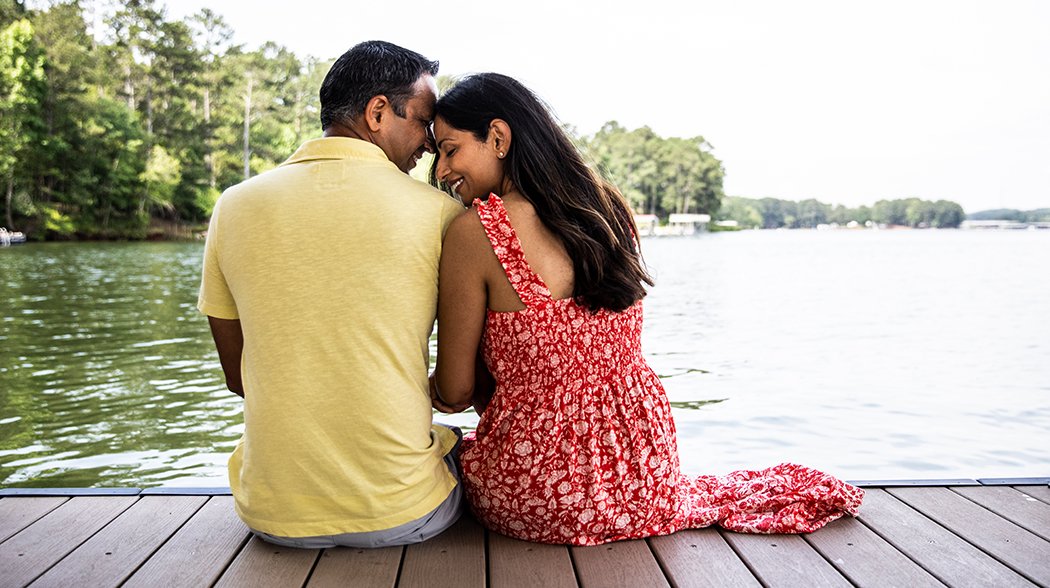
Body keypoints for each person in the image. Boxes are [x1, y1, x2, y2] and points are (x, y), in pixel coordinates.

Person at [428, 73, 863, 546]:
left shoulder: (476, 232)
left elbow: (454, 389)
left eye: (450, 150)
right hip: (645, 479)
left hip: (539, 495)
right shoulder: (607, 210)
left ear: (498, 137)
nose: (441, 171)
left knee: (443, 455)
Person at [197, 41, 466, 549]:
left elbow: (239, 379)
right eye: (425, 123)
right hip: (403, 513)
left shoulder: (233, 207)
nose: (430, 145)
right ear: (378, 112)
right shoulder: (442, 214)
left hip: (273, 517)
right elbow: (460, 387)